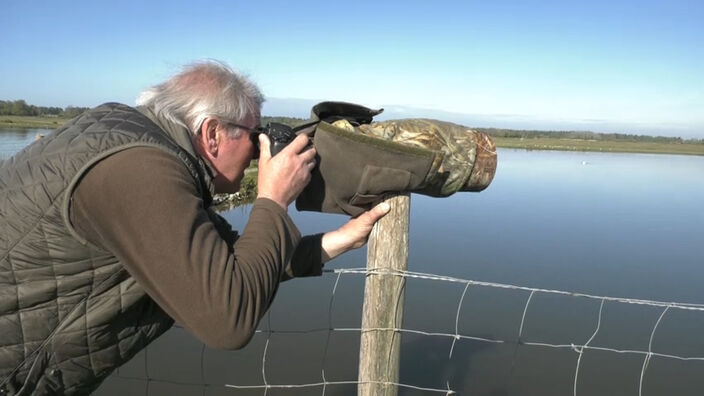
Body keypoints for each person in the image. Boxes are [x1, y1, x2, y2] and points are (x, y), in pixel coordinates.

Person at [0, 61, 389, 395]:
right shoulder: (139, 170)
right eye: (255, 137)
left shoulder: (138, 146)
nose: (258, 150)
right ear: (212, 133)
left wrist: (336, 241)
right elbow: (226, 320)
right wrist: (273, 199)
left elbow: (234, 263)